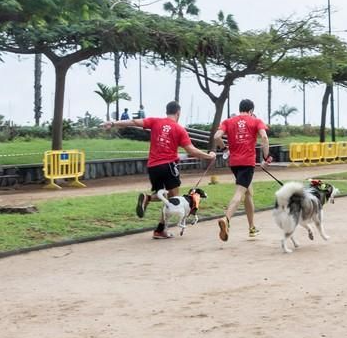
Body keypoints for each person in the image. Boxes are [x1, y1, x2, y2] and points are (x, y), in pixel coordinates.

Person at [103, 101, 215, 239]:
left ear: (167, 111)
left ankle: (150, 204)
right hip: (168, 165)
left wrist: (113, 123)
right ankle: (159, 227)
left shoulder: (155, 121)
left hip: (152, 166)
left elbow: (133, 121)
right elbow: (191, 149)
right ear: (178, 113)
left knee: (164, 195)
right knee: (173, 199)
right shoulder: (179, 129)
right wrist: (208, 156)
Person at [214, 99, 270, 241]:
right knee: (240, 192)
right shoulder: (256, 121)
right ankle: (226, 219)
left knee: (248, 192)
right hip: (247, 163)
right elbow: (264, 137)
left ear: (240, 109)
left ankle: (251, 228)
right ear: (251, 110)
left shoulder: (228, 121)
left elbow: (216, 137)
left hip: (234, 163)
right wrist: (266, 157)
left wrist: (225, 148)